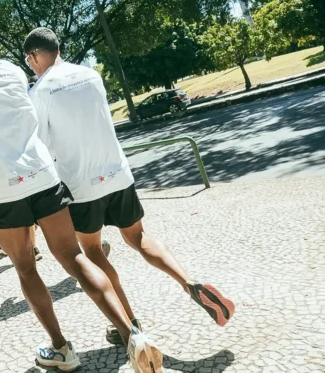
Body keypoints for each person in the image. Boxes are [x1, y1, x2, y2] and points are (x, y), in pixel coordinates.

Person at [0, 15, 169, 373]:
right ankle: (132, 335)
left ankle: (61, 348)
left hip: (4, 188)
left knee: (25, 266)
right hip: (42, 174)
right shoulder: (11, 71)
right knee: (74, 257)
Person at [24, 27, 235, 342]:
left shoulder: (40, 91)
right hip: (118, 172)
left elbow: (42, 144)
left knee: (93, 250)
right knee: (139, 238)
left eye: (30, 61)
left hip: (82, 185)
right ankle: (190, 283)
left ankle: (130, 324)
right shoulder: (90, 75)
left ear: (34, 56)